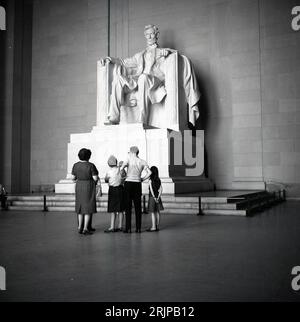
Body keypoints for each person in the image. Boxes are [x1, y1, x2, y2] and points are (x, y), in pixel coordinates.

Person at [100, 24, 172, 124]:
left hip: (154, 81)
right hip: (139, 79)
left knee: (143, 78)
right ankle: (114, 118)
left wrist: (167, 53)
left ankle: (142, 119)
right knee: (118, 79)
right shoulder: (140, 55)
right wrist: (110, 59)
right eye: (147, 34)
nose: (150, 37)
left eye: (152, 34)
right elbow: (124, 62)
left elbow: (174, 55)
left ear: (157, 34)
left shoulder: (163, 51)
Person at [120, 146, 152, 233]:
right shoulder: (142, 161)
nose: (129, 153)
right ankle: (138, 228)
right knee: (138, 207)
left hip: (128, 183)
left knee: (128, 207)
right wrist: (142, 179)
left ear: (132, 152)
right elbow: (150, 172)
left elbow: (121, 169)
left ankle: (128, 228)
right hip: (137, 184)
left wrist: (123, 175)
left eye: (129, 152)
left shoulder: (128, 160)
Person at [71, 148, 100, 235]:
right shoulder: (91, 165)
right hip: (88, 186)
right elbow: (95, 178)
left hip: (79, 185)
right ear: (89, 156)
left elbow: (73, 178)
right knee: (88, 207)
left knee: (80, 207)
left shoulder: (75, 165)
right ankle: (85, 228)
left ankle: (80, 227)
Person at [104, 155, 126, 233]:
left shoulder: (109, 172)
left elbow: (106, 180)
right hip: (120, 189)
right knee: (121, 209)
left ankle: (112, 227)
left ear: (109, 164)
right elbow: (124, 178)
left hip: (112, 190)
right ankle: (120, 226)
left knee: (113, 209)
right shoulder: (121, 170)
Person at [147, 166, 164, 232]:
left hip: (152, 197)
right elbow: (161, 189)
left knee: (153, 213)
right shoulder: (158, 179)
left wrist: (154, 197)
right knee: (157, 212)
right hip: (158, 197)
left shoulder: (150, 180)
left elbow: (151, 189)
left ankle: (153, 227)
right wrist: (158, 197)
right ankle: (157, 226)